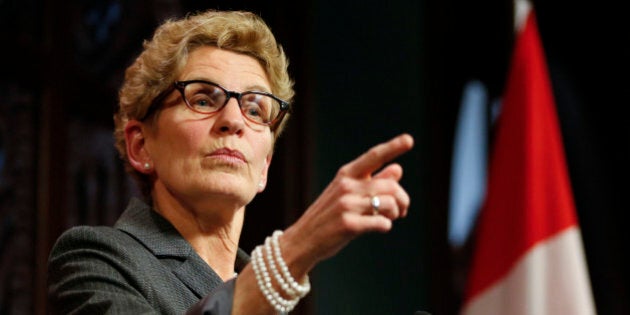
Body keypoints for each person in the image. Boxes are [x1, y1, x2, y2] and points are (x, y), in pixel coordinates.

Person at [47, 9, 414, 314]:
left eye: (255, 108)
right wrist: (297, 248)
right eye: (204, 99)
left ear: (265, 166)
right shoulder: (95, 260)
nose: (234, 120)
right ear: (141, 146)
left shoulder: (268, 290)